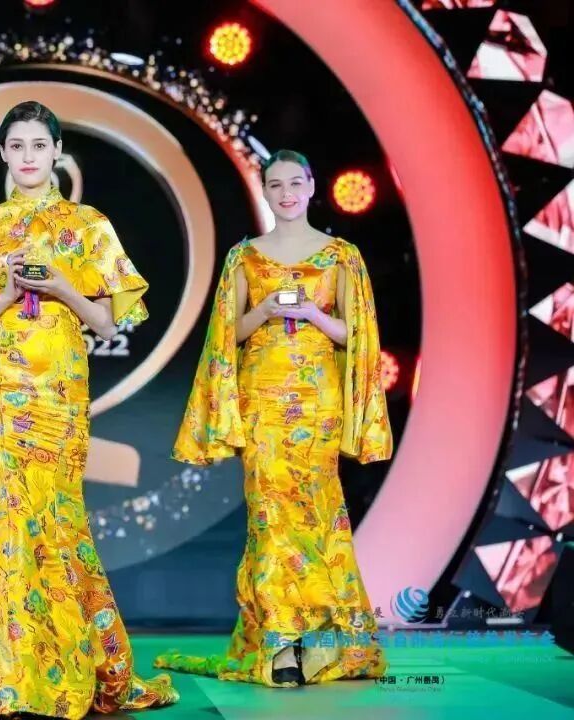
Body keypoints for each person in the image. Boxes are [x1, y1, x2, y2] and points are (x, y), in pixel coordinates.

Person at [0, 102, 178, 718]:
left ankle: (59, 670)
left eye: (38, 145)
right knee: (3, 519)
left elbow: (108, 323)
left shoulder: (88, 226)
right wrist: (5, 293)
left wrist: (61, 287)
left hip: (57, 394)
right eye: (17, 146)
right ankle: (6, 680)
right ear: (3, 153)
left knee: (55, 520)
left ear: (57, 152)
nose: (28, 156)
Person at [156, 150, 392, 687]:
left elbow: (358, 334)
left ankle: (323, 642)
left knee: (317, 514)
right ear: (264, 191)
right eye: (275, 185)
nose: (286, 194)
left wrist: (312, 314)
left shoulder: (341, 256)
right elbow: (227, 335)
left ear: (311, 187)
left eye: (294, 183)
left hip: (318, 403)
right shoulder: (245, 257)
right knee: (270, 516)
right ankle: (281, 644)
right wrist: (262, 312)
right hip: (262, 400)